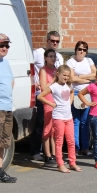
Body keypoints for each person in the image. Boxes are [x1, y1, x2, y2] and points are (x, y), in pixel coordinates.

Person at [38, 65, 81, 173]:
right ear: (58, 74)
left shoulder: (68, 85)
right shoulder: (54, 86)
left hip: (68, 117)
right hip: (58, 117)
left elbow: (71, 93)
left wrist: (70, 102)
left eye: (67, 76)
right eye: (64, 75)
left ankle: (72, 162)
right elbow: (40, 96)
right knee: (59, 141)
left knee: (71, 141)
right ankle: (60, 164)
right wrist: (51, 104)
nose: (66, 78)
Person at [31, 31, 64, 161]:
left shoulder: (59, 57)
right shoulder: (38, 53)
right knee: (40, 124)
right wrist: (35, 82)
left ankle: (52, 153)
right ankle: (35, 151)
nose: (54, 43)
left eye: (57, 41)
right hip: (42, 94)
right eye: (52, 40)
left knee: (53, 127)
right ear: (47, 40)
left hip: (55, 97)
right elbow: (29, 67)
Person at [66, 41, 96, 156]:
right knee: (76, 122)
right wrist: (88, 80)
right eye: (79, 49)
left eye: (84, 49)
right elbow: (72, 78)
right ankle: (76, 148)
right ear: (75, 50)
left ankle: (85, 147)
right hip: (76, 93)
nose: (81, 51)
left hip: (87, 93)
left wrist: (81, 77)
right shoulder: (71, 62)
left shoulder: (89, 60)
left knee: (85, 122)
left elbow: (95, 74)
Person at [0, 33, 17, 183]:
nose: (5, 48)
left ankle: (0, 172)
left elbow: (11, 81)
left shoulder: (5, 62)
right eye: (2, 45)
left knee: (3, 142)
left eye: (7, 45)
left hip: (7, 107)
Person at [39, 49, 57, 166]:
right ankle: (47, 155)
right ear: (45, 58)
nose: (52, 58)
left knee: (55, 130)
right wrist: (55, 79)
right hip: (48, 101)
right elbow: (44, 87)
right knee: (48, 128)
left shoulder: (56, 70)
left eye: (54, 56)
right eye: (50, 56)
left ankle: (55, 154)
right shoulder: (43, 70)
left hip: (57, 101)